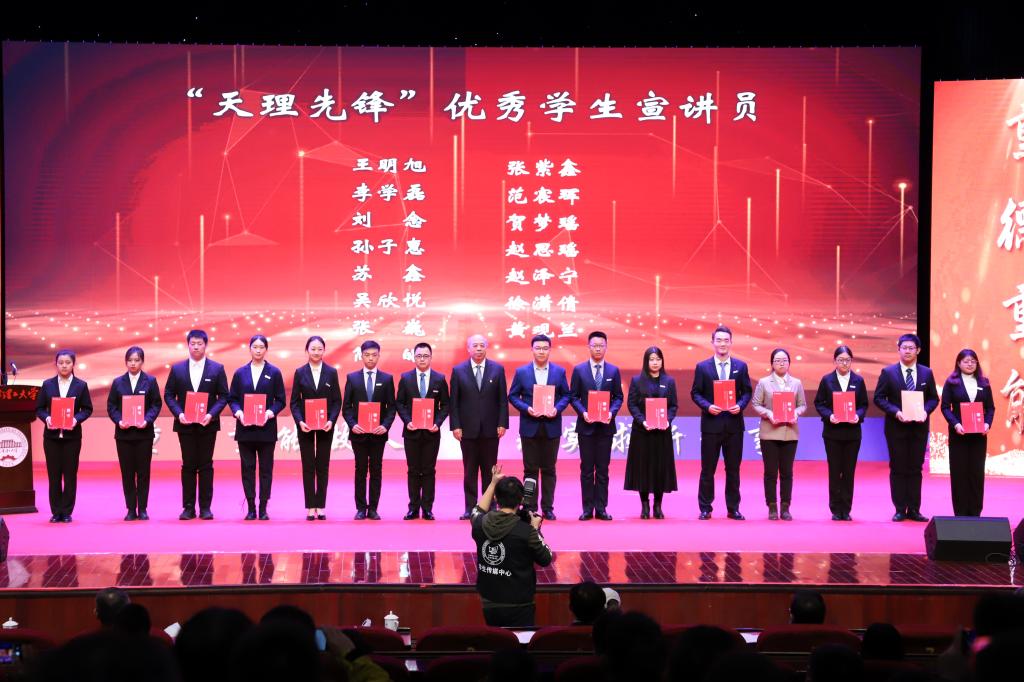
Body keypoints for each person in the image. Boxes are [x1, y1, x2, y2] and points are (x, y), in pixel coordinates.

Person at [471, 464, 552, 627]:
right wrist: (535, 528)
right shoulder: (526, 532)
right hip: (520, 603)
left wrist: (493, 483)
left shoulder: (479, 524)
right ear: (521, 500)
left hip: (489, 601)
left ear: (496, 498)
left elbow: (477, 511)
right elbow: (546, 558)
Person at [163, 329, 229, 520]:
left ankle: (206, 507)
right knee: (188, 465)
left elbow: (224, 396)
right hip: (185, 424)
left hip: (208, 424)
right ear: (188, 345)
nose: (196, 347)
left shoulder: (217, 369)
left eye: (200, 343)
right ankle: (188, 507)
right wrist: (179, 413)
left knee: (206, 465)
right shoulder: (177, 369)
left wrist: (211, 414)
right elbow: (169, 394)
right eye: (193, 343)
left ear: (205, 345)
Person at [873, 333, 939, 522]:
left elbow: (933, 398)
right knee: (898, 467)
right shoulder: (888, 372)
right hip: (896, 428)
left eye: (911, 348)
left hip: (919, 428)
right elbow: (879, 398)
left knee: (915, 468)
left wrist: (926, 411)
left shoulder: (926, 373)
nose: (907, 351)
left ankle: (915, 509)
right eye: (904, 348)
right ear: (899, 350)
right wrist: (895, 412)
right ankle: (900, 508)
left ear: (918, 350)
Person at [690, 326, 753, 520]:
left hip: (734, 426)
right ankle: (705, 508)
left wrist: (740, 405)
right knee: (708, 469)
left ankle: (733, 508)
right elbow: (695, 393)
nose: (722, 344)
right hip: (711, 425)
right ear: (712, 343)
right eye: (719, 340)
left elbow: (747, 392)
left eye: (726, 340)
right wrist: (707, 406)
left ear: (731, 342)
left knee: (733, 469)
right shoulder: (703, 367)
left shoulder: (741, 366)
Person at [508, 334, 571, 520]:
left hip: (551, 427)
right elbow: (513, 396)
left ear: (549, 350)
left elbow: (566, 395)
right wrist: (526, 408)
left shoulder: (559, 372)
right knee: (530, 470)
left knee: (549, 469)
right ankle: (529, 506)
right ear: (532, 350)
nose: (541, 351)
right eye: (538, 348)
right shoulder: (522, 372)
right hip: (530, 426)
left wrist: (557, 409)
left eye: (545, 348)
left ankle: (548, 508)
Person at [450, 334, 509, 520]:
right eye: (474, 345)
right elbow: (454, 402)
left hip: (491, 430)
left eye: (482, 345)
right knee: (469, 471)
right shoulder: (458, 370)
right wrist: (455, 425)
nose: (478, 348)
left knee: (489, 471)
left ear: (486, 347)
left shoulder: (497, 369)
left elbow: (502, 399)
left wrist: (502, 423)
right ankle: (470, 507)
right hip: (467, 430)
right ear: (468, 349)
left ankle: (489, 506)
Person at [228, 334, 287, 521]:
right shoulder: (240, 373)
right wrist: (239, 413)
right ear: (250, 349)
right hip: (245, 429)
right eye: (255, 347)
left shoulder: (274, 372)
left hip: (266, 429)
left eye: (262, 347)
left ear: (266, 349)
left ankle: (263, 507)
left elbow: (281, 400)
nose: (258, 350)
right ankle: (251, 507)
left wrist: (270, 412)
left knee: (266, 469)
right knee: (247, 468)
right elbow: (232, 399)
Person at [569, 331, 623, 521]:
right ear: (589, 347)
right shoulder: (579, 370)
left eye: (601, 345)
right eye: (594, 345)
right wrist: (583, 412)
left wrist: (611, 413)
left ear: (606, 347)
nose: (598, 349)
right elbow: (573, 396)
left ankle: (601, 508)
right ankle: (587, 508)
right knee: (586, 469)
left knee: (602, 469)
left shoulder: (613, 371)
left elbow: (618, 397)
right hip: (586, 427)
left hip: (605, 427)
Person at [35, 349, 93, 523]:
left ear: (73, 364)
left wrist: (76, 419)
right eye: (61, 363)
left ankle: (66, 511)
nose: (64, 366)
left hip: (72, 438)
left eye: (68, 362)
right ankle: (56, 511)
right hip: (51, 437)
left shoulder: (81, 385)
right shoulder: (47, 384)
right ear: (56, 364)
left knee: (69, 475)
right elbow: (39, 408)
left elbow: (87, 409)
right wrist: (47, 418)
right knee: (53, 475)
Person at [106, 346, 162, 521]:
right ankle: (131, 509)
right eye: (130, 360)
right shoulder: (118, 382)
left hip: (144, 434)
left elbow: (156, 404)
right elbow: (111, 406)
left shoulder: (150, 381)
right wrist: (119, 421)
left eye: (136, 360)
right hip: (124, 435)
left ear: (142, 362)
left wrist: (147, 420)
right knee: (127, 473)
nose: (133, 363)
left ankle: (143, 508)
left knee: (143, 473)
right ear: (126, 362)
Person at [395, 341, 450, 520]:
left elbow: (445, 405)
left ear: (431, 357)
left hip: (431, 432)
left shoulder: (439, 379)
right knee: (413, 470)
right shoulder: (406, 378)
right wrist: (407, 421)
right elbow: (400, 403)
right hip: (411, 432)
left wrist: (437, 423)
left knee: (428, 470)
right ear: (414, 357)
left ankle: (427, 508)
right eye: (419, 356)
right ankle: (413, 508)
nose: (422, 359)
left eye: (425, 356)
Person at [342, 340, 396, 520]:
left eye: (374, 355)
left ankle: (373, 508)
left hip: (378, 434)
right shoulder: (352, 378)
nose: (370, 358)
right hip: (359, 433)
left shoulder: (387, 379)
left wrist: (385, 425)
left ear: (379, 356)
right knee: (360, 470)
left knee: (376, 470)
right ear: (361, 356)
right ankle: (360, 508)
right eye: (367, 355)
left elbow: (391, 407)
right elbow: (346, 407)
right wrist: (352, 424)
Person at [289, 335, 342, 521]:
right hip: (305, 426)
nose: (316, 352)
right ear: (307, 351)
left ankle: (321, 505)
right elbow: (294, 402)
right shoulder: (300, 372)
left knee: (323, 465)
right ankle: (310, 506)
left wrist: (331, 420)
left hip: (326, 426)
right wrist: (300, 421)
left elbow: (337, 401)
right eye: (313, 349)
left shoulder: (331, 372)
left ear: (324, 351)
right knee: (308, 465)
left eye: (320, 349)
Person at [813, 345, 869, 521]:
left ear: (851, 361)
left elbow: (864, 404)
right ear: (834, 361)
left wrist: (858, 415)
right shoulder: (827, 380)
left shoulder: (858, 380)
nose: (844, 363)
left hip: (852, 434)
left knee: (849, 471)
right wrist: (829, 415)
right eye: (840, 360)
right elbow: (819, 403)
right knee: (835, 470)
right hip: (833, 433)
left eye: (847, 360)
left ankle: (846, 508)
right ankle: (835, 509)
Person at [751, 348, 807, 521]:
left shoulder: (796, 383)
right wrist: (768, 413)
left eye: (784, 360)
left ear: (789, 363)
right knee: (770, 472)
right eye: (777, 360)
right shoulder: (764, 382)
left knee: (787, 472)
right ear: (772, 363)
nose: (781, 363)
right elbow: (756, 403)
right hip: (769, 433)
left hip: (790, 433)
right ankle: (772, 506)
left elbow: (802, 405)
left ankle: (785, 506)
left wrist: (796, 413)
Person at [624, 346, 679, 519]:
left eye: (658, 359)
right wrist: (643, 421)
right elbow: (632, 404)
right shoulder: (637, 380)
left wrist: (667, 420)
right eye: (652, 359)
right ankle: (645, 505)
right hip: (642, 432)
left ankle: (658, 505)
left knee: (659, 468)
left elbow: (673, 405)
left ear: (662, 361)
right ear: (646, 361)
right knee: (643, 468)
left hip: (662, 432)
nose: (655, 363)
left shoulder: (669, 381)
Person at [940, 348, 996, 516]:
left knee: (976, 474)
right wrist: (956, 424)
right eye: (966, 361)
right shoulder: (951, 382)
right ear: (959, 363)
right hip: (959, 435)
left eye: (973, 361)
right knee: (959, 473)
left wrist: (987, 424)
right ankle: (960, 513)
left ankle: (975, 512)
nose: (970, 364)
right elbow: (945, 407)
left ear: (977, 363)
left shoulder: (984, 382)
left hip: (979, 436)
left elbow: (990, 408)